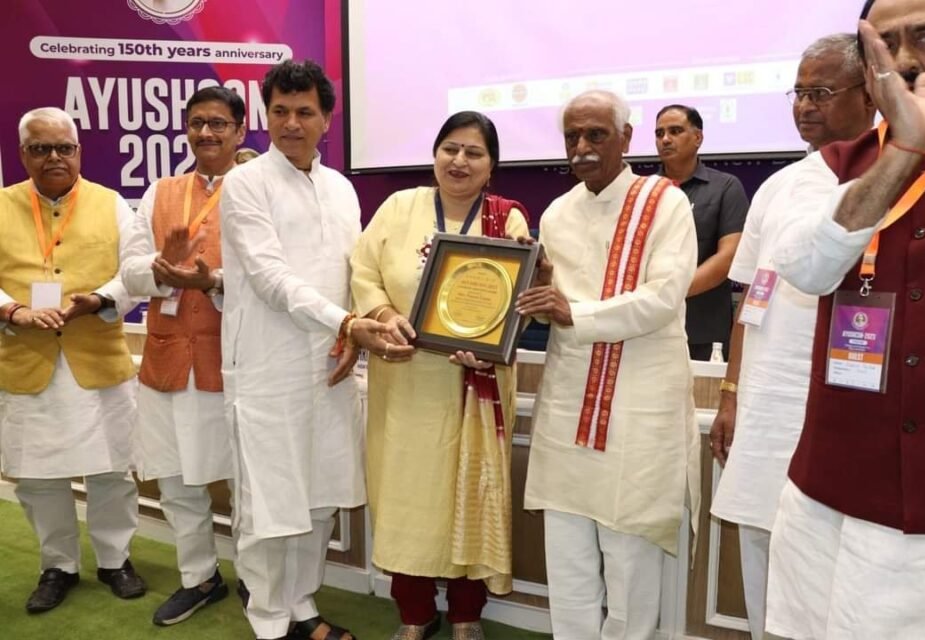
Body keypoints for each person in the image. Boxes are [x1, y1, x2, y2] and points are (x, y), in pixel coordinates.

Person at [765, 1, 925, 637]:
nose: (903, 60)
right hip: (826, 493)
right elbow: (804, 266)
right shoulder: (837, 164)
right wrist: (904, 151)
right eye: (887, 44)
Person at [220, 60, 403, 640]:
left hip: (330, 367)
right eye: (279, 111)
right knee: (271, 505)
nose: (291, 123)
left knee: (320, 498)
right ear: (265, 115)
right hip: (266, 370)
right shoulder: (245, 183)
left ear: (327, 118)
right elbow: (270, 278)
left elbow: (355, 272)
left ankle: (302, 607)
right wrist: (346, 324)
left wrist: (351, 333)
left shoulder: (342, 188)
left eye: (304, 112)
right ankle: (270, 622)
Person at [707, 33, 876, 640]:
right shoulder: (777, 186)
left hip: (847, 409)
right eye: (799, 93)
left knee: (834, 568)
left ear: (869, 93)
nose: (805, 105)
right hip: (767, 407)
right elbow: (749, 299)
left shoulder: (893, 176)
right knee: (761, 544)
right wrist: (731, 394)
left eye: (821, 92)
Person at [519, 90, 699, 640]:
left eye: (595, 135)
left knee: (630, 561)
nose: (582, 147)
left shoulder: (664, 203)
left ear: (625, 138)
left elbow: (664, 297)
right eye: (572, 136)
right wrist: (535, 292)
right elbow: (549, 309)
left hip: (638, 409)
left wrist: (572, 311)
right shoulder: (556, 213)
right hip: (568, 404)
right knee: (568, 558)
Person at [351, 111, 530, 640]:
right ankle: (415, 612)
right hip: (404, 382)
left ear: (492, 166)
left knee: (469, 494)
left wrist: (488, 343)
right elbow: (363, 271)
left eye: (474, 152)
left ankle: (466, 613)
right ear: (434, 155)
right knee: (408, 498)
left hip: (474, 385)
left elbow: (519, 298)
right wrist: (384, 315)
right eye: (450, 148)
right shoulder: (398, 207)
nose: (460, 161)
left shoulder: (507, 220)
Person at [0, 107, 146, 613]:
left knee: (111, 471)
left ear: (79, 151)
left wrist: (101, 298)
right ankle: (57, 566)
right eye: (41, 148)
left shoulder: (112, 204)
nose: (54, 157)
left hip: (98, 359)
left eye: (64, 147)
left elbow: (134, 274)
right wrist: (13, 310)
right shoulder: (2, 205)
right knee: (39, 478)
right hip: (26, 360)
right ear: (23, 154)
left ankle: (115, 560)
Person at [120, 86, 246, 626]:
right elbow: (129, 273)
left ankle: (258, 579)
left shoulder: (257, 191)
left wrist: (213, 281)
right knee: (175, 479)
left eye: (218, 123)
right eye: (197, 123)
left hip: (234, 363)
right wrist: (161, 267)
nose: (206, 132)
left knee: (246, 481)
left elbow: (273, 276)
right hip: (168, 361)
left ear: (240, 131)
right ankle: (200, 578)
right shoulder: (160, 191)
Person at [655, 104, 749, 361]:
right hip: (650, 327)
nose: (665, 139)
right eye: (659, 133)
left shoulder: (725, 187)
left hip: (704, 330)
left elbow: (728, 257)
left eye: (675, 131)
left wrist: (667, 293)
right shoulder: (643, 191)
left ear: (698, 137)